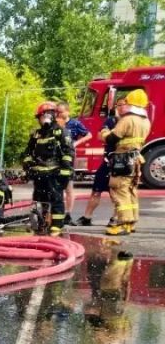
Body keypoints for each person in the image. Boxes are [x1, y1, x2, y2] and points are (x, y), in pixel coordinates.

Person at [102, 89, 149, 235]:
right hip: (135, 159)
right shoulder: (145, 120)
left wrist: (104, 133)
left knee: (119, 189)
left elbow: (112, 138)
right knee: (130, 190)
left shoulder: (127, 120)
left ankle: (123, 223)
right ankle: (132, 222)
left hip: (123, 159)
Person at [21, 101, 74, 233]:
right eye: (41, 116)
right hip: (39, 174)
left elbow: (68, 152)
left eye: (47, 115)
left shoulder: (61, 132)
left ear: (53, 115)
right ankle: (41, 222)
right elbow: (27, 153)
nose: (44, 118)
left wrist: (65, 171)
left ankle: (57, 224)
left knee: (56, 199)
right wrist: (28, 165)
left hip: (54, 173)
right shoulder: (36, 134)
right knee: (39, 200)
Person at [73, 113, 118, 226]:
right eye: (118, 105)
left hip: (120, 163)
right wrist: (111, 136)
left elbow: (114, 138)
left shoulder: (127, 122)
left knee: (116, 193)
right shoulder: (110, 120)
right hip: (107, 161)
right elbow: (99, 136)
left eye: (123, 105)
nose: (120, 108)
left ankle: (116, 218)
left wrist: (109, 135)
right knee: (96, 191)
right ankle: (87, 217)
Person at [57, 102, 93, 224]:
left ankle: (68, 214)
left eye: (61, 112)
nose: (59, 114)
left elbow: (89, 135)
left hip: (68, 158)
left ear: (68, 111)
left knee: (68, 187)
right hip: (55, 158)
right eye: (57, 112)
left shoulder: (75, 124)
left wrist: (76, 143)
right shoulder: (55, 124)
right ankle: (56, 213)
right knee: (56, 187)